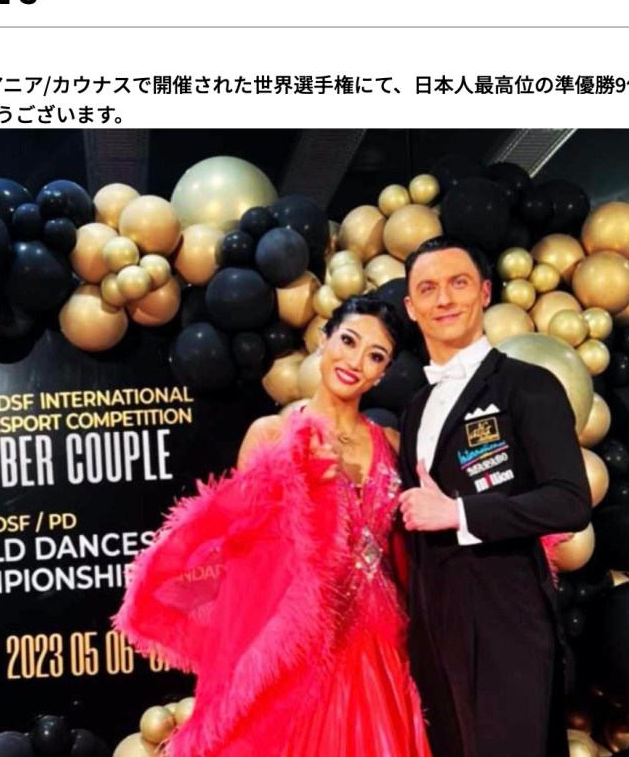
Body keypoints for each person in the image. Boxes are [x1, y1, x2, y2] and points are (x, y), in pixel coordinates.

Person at [114, 295, 432, 757]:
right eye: (348, 341)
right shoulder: (271, 435)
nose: (355, 361)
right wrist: (300, 484)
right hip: (303, 648)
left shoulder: (392, 442)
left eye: (375, 355)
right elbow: (244, 547)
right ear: (323, 340)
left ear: (382, 373)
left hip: (380, 643)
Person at [396, 237, 591, 757]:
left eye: (457, 283)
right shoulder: (416, 407)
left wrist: (459, 513)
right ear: (411, 307)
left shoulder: (528, 385)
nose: (443, 299)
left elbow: (570, 501)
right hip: (435, 628)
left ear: (484, 293)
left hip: (506, 621)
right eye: (427, 289)